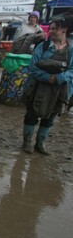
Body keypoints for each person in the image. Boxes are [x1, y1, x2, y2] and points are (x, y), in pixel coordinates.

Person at [21, 18, 73, 155]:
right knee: (32, 114)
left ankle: (40, 143)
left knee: (50, 116)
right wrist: (48, 77)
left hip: (60, 88)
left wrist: (58, 78)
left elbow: (72, 70)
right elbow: (33, 67)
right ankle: (27, 142)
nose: (51, 31)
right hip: (39, 87)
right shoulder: (43, 47)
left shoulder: (71, 50)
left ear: (64, 30)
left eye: (55, 29)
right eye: (51, 29)